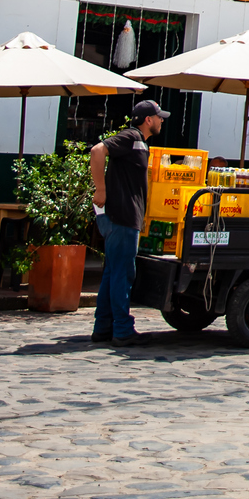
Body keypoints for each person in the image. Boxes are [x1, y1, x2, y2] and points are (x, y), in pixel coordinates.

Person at [87, 98, 168, 346]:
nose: (162, 121)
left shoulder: (140, 144)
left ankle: (103, 327)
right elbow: (97, 150)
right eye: (159, 117)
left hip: (123, 216)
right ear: (148, 120)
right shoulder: (131, 137)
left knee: (113, 273)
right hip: (122, 216)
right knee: (123, 274)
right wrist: (100, 190)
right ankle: (122, 329)